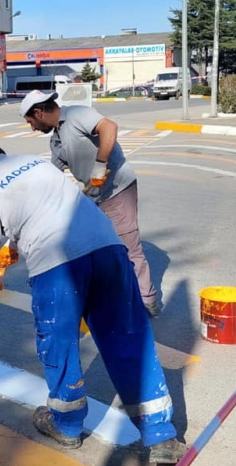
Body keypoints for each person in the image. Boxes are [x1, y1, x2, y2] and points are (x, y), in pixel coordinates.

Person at [0, 130, 187, 465]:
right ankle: (161, 436)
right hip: (108, 249)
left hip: (57, 264)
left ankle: (66, 424)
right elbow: (48, 207)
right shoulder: (36, 164)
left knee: (59, 343)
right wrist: (16, 245)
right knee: (128, 338)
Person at [19, 90, 161, 317]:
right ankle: (114, 294)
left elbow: (109, 127)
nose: (32, 128)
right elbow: (53, 176)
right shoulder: (56, 139)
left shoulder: (76, 115)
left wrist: (100, 164)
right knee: (98, 247)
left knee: (128, 247)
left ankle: (147, 300)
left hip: (117, 189)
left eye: (30, 122)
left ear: (38, 112)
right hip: (94, 197)